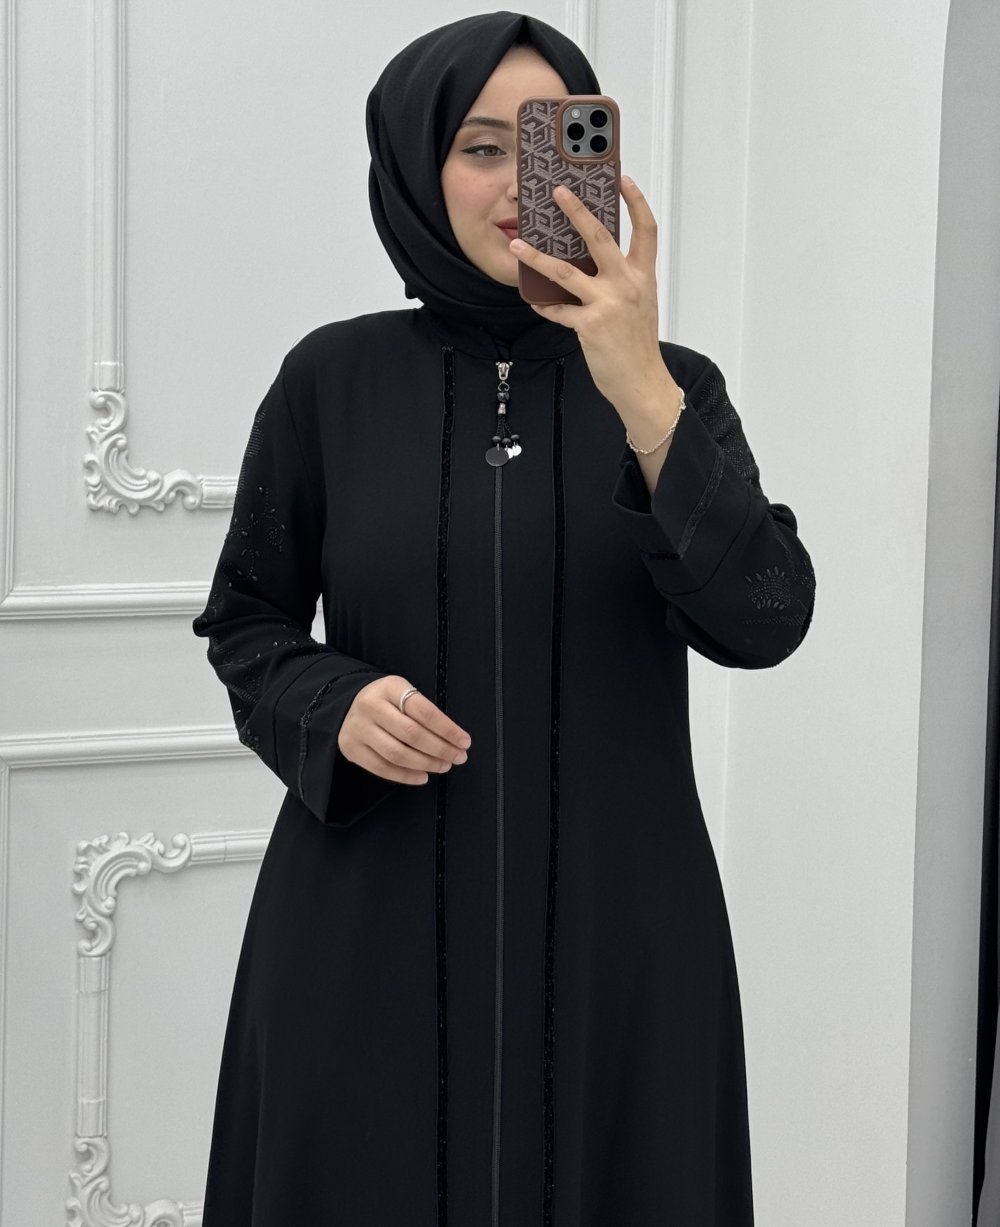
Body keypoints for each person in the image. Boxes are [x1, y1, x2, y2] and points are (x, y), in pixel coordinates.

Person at [192, 11, 815, 1226]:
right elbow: (247, 622)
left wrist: (641, 390)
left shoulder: (675, 385)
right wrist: (333, 702)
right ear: (415, 168)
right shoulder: (330, 380)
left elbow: (765, 617)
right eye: (481, 148)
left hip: (620, 935)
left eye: (548, 144)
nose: (522, 186)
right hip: (363, 919)